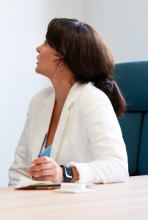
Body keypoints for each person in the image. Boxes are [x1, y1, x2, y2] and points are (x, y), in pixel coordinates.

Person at [8, 18, 129, 185]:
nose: (38, 48)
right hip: (40, 207)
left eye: (46, 43)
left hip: (81, 207)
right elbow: (19, 170)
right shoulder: (38, 101)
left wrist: (65, 173)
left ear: (62, 60)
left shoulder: (92, 99)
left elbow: (118, 166)